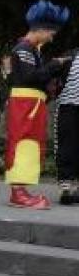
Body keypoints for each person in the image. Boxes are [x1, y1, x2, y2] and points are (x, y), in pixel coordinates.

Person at [5, 0, 72, 209]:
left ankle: (21, 190)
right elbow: (29, 77)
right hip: (25, 106)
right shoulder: (24, 49)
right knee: (23, 143)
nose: (52, 38)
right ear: (42, 29)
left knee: (30, 145)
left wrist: (53, 80)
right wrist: (55, 65)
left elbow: (36, 78)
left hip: (31, 105)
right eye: (51, 33)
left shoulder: (32, 50)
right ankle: (18, 193)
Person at [55, 53, 79, 205]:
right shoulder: (70, 57)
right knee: (66, 146)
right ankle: (66, 188)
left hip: (68, 107)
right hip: (68, 105)